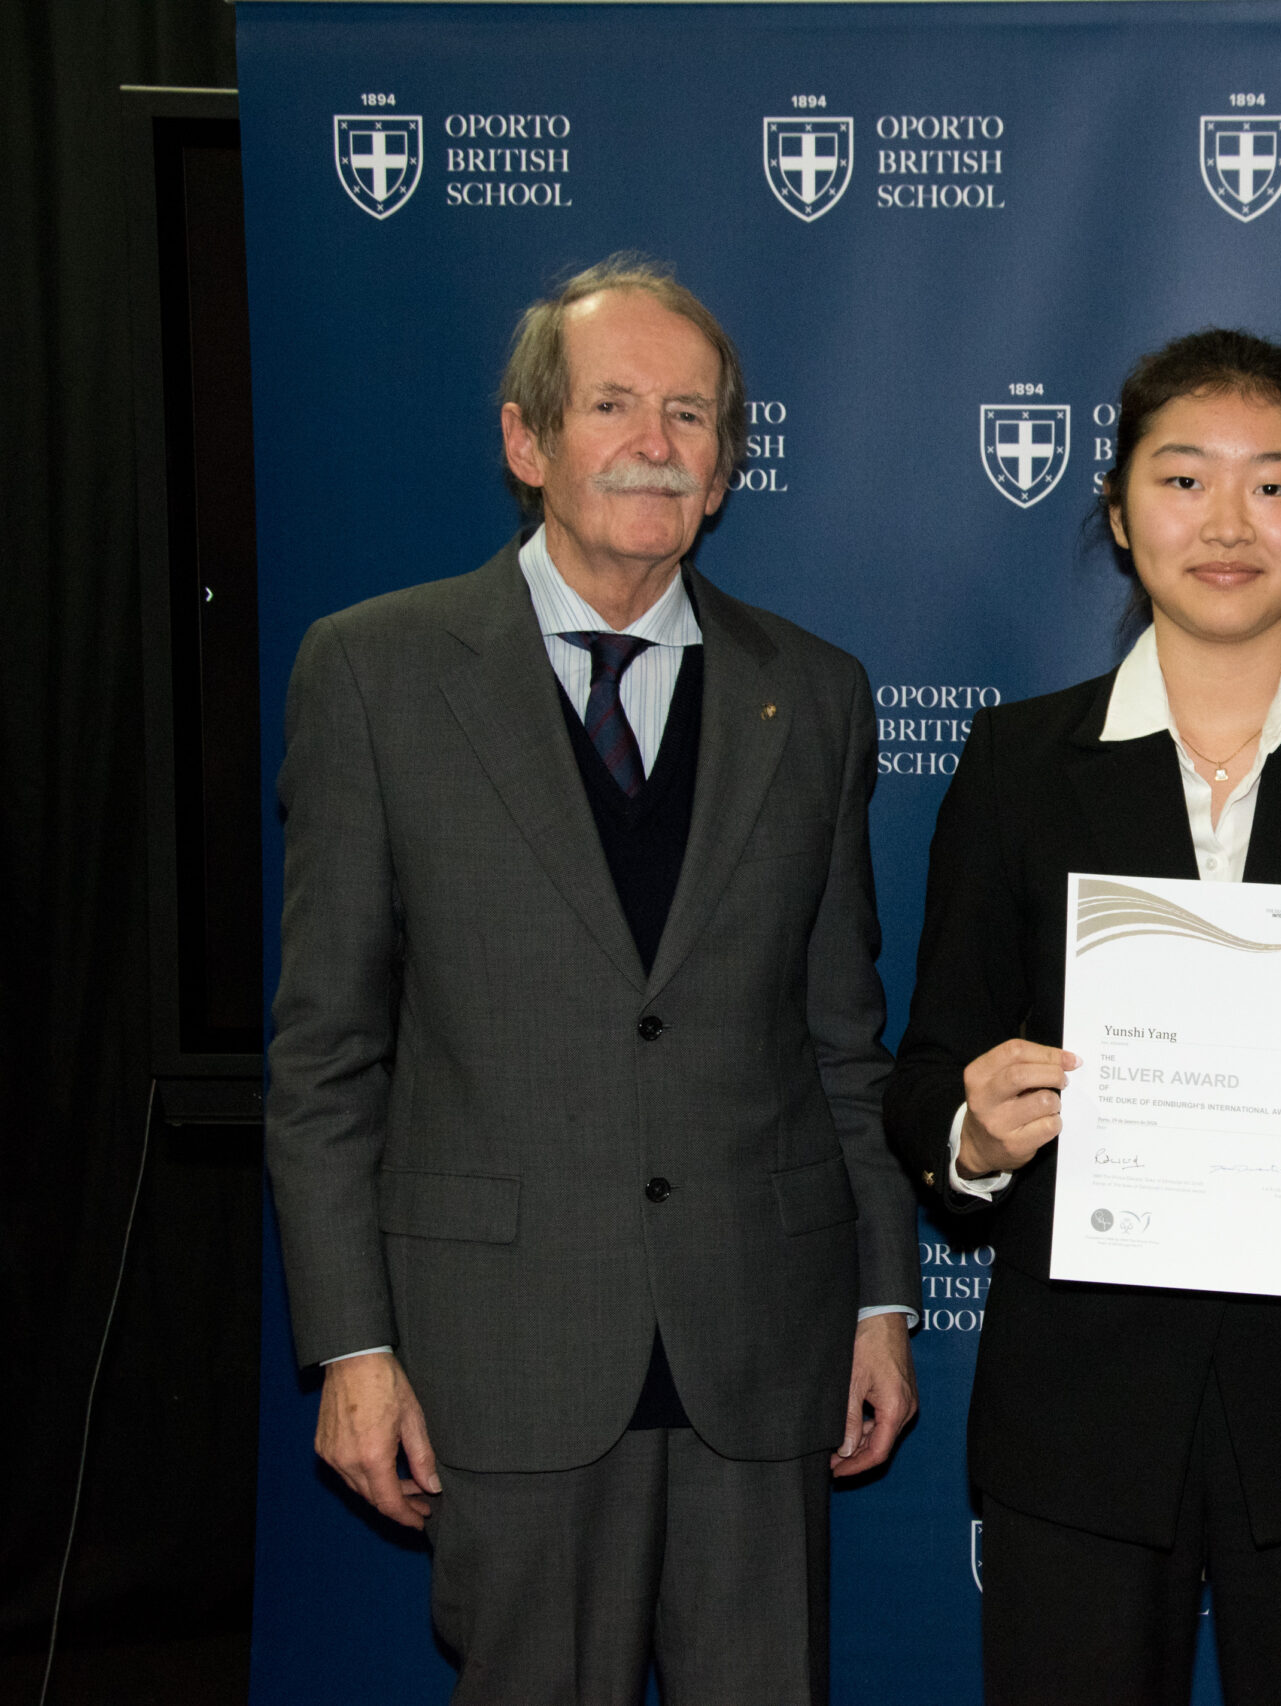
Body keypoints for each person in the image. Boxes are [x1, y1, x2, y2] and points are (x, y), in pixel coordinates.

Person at [266, 254, 920, 1704]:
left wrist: (883, 1301)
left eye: (691, 415)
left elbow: (843, 1040)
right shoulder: (374, 673)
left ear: (727, 466)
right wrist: (352, 1347)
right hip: (504, 1354)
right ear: (527, 441)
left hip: (762, 1350)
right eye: (613, 403)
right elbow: (325, 1056)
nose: (654, 442)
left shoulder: (815, 693)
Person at [885, 329, 1281, 1706]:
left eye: (1274, 485)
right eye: (1183, 480)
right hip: (1080, 1419)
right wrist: (973, 1137)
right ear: (1119, 513)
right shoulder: (1018, 765)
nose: (1229, 523)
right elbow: (929, 1064)